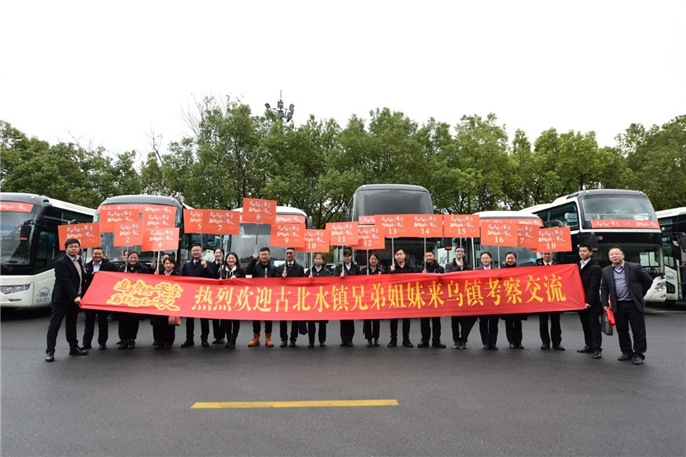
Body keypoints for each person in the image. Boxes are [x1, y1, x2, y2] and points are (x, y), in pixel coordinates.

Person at [600, 246, 654, 365]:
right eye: (611, 255)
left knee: (638, 331)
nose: (614, 256)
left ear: (623, 255)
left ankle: (639, 354)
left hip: (634, 304)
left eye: (616, 254)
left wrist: (639, 293)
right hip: (618, 305)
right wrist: (604, 303)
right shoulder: (606, 271)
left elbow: (648, 280)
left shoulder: (634, 267)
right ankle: (626, 352)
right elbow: (604, 288)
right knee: (622, 330)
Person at [45, 238, 89, 362]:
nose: (73, 249)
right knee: (55, 325)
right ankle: (50, 351)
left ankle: (73, 348)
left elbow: (79, 277)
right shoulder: (61, 262)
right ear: (66, 249)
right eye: (71, 247)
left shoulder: (78, 260)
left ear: (79, 248)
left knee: (71, 324)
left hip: (74, 299)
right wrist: (75, 296)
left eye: (76, 246)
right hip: (62, 299)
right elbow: (65, 281)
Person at [180, 244, 216, 348]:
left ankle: (204, 339)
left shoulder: (208, 263)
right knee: (189, 320)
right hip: (190, 295)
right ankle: (189, 339)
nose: (196, 252)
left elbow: (213, 277)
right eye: (194, 250)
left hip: (203, 295)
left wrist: (205, 266)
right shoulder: (187, 265)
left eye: (198, 250)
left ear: (201, 252)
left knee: (204, 319)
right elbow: (182, 279)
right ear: (191, 253)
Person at [81, 247, 116, 350]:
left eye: (99, 254)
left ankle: (102, 342)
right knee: (88, 322)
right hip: (89, 298)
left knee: (103, 321)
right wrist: (88, 275)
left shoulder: (110, 266)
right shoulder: (86, 266)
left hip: (103, 297)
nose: (97, 256)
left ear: (103, 255)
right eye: (95, 254)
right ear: (91, 255)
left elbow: (115, 277)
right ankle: (86, 343)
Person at [117, 251, 152, 349]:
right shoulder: (121, 268)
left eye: (135, 257)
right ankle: (123, 340)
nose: (133, 259)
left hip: (136, 298)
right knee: (122, 320)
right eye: (131, 257)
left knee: (133, 320)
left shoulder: (143, 269)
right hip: (124, 298)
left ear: (138, 259)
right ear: (127, 258)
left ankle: (131, 339)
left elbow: (148, 282)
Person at [246, 247, 279, 347]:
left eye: (265, 254)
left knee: (268, 318)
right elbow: (248, 271)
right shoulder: (255, 266)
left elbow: (278, 281)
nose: (264, 256)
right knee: (256, 318)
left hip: (269, 296)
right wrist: (253, 259)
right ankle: (256, 337)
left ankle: (268, 338)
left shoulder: (274, 268)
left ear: (269, 256)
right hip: (257, 296)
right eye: (262, 255)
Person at [445, 246, 476, 349]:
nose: (460, 253)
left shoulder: (469, 267)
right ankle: (456, 340)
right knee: (455, 321)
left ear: (464, 254)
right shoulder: (449, 265)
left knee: (465, 321)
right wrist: (458, 267)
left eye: (462, 251)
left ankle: (464, 339)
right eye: (458, 251)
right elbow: (448, 277)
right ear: (455, 253)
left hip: (465, 296)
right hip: (454, 296)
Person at [576, 243, 603, 359]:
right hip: (580, 301)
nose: (582, 253)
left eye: (584, 251)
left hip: (592, 302)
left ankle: (597, 348)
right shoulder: (577, 265)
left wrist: (589, 302)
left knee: (594, 325)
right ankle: (589, 345)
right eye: (580, 251)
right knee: (585, 324)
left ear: (590, 252)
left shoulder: (595, 267)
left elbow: (594, 287)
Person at [278, 247, 306, 347]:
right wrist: (281, 277)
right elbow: (275, 282)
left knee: (295, 319)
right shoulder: (280, 268)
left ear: (294, 254)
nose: (289, 255)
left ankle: (293, 339)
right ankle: (284, 339)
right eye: (287, 253)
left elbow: (303, 281)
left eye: (291, 253)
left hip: (295, 297)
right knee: (283, 319)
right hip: (283, 297)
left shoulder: (300, 268)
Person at [536, 252, 564, 351]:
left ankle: (557, 343)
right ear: (541, 255)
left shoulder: (558, 265)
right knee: (543, 322)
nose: (547, 256)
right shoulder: (536, 266)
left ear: (552, 255)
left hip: (554, 296)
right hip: (542, 298)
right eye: (545, 254)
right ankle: (545, 342)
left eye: (548, 254)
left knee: (556, 321)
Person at [218, 251, 246, 349]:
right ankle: (229, 338)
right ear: (226, 259)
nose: (231, 260)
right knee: (226, 320)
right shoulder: (221, 270)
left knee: (235, 320)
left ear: (236, 260)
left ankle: (233, 340)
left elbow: (244, 284)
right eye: (229, 258)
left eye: (233, 258)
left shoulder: (240, 271)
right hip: (225, 299)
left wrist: (237, 280)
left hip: (236, 299)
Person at [419, 250, 446, 348]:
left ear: (434, 257)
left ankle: (436, 341)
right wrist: (422, 276)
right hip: (424, 298)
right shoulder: (420, 268)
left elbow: (443, 282)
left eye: (430, 256)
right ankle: (424, 341)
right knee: (424, 321)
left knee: (436, 321)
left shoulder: (440, 268)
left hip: (436, 297)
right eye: (426, 256)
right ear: (424, 258)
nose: (428, 257)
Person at [388, 247, 415, 348]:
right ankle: (393, 340)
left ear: (404, 256)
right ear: (394, 257)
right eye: (397, 254)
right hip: (394, 296)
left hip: (406, 297)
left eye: (401, 254)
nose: (399, 256)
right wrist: (391, 272)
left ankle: (406, 340)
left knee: (406, 320)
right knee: (393, 320)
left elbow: (415, 281)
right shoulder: (391, 268)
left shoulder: (410, 268)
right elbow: (386, 281)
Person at [151, 257, 180, 349]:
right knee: (160, 323)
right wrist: (155, 277)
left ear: (174, 265)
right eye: (166, 263)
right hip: (160, 301)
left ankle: (169, 342)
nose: (168, 265)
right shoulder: (159, 273)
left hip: (172, 301)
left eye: (170, 263)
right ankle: (160, 341)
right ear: (163, 264)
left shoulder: (178, 274)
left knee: (169, 323)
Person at [501, 252, 525, 349]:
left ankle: (519, 342)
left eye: (512, 258)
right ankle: (511, 341)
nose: (510, 260)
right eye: (508, 258)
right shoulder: (501, 270)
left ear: (515, 259)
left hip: (517, 299)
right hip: (507, 299)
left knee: (518, 323)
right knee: (509, 322)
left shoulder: (520, 270)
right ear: (505, 259)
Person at [335, 248, 359, 346]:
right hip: (342, 295)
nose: (347, 258)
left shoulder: (355, 268)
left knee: (350, 319)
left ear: (351, 256)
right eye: (345, 256)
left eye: (348, 256)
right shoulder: (339, 268)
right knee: (343, 319)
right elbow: (334, 280)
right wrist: (339, 277)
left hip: (352, 295)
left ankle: (350, 339)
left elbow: (359, 280)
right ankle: (343, 339)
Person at [477, 252, 499, 350]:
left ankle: (493, 343)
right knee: (483, 323)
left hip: (494, 300)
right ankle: (485, 342)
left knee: (494, 323)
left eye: (487, 258)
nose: (485, 260)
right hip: (482, 300)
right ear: (481, 260)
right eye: (483, 258)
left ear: (491, 259)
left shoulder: (497, 270)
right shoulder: (476, 271)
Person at [360, 252, 383, 347]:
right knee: (367, 319)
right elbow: (359, 282)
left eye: (375, 259)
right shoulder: (364, 270)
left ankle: (376, 338)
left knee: (376, 319)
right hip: (367, 297)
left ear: (378, 261)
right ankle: (369, 338)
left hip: (377, 297)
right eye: (371, 259)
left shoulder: (381, 271)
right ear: (369, 260)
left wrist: (381, 278)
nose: (373, 260)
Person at [308, 252, 329, 348]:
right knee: (311, 323)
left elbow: (330, 283)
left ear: (322, 260)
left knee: (322, 323)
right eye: (316, 259)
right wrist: (308, 279)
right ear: (313, 260)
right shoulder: (309, 271)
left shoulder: (326, 272)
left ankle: (322, 340)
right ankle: (311, 341)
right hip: (311, 300)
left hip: (322, 300)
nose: (318, 260)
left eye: (320, 259)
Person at [209, 248, 226, 345]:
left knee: (223, 316)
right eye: (216, 253)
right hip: (213, 293)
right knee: (215, 317)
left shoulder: (226, 265)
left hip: (224, 293)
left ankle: (222, 336)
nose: (218, 254)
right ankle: (216, 336)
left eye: (220, 253)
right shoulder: (210, 265)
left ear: (223, 254)